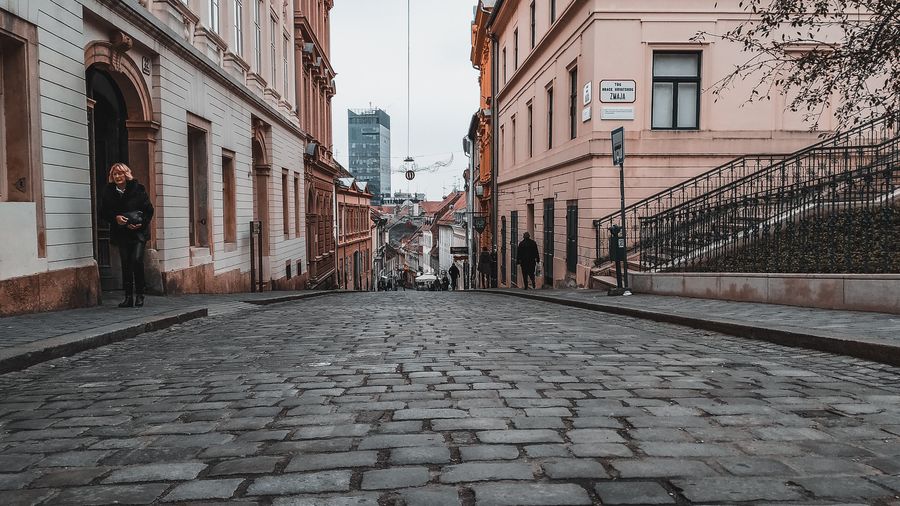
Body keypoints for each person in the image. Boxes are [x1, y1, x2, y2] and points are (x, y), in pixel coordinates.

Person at [100, 163, 154, 308]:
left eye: (120, 174)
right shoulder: (108, 191)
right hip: (121, 233)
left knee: (137, 260)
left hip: (138, 233)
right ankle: (128, 296)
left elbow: (149, 210)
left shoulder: (138, 189)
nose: (118, 176)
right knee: (126, 263)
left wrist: (140, 224)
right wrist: (115, 218)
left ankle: (140, 294)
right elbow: (103, 212)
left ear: (126, 175)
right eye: (115, 174)